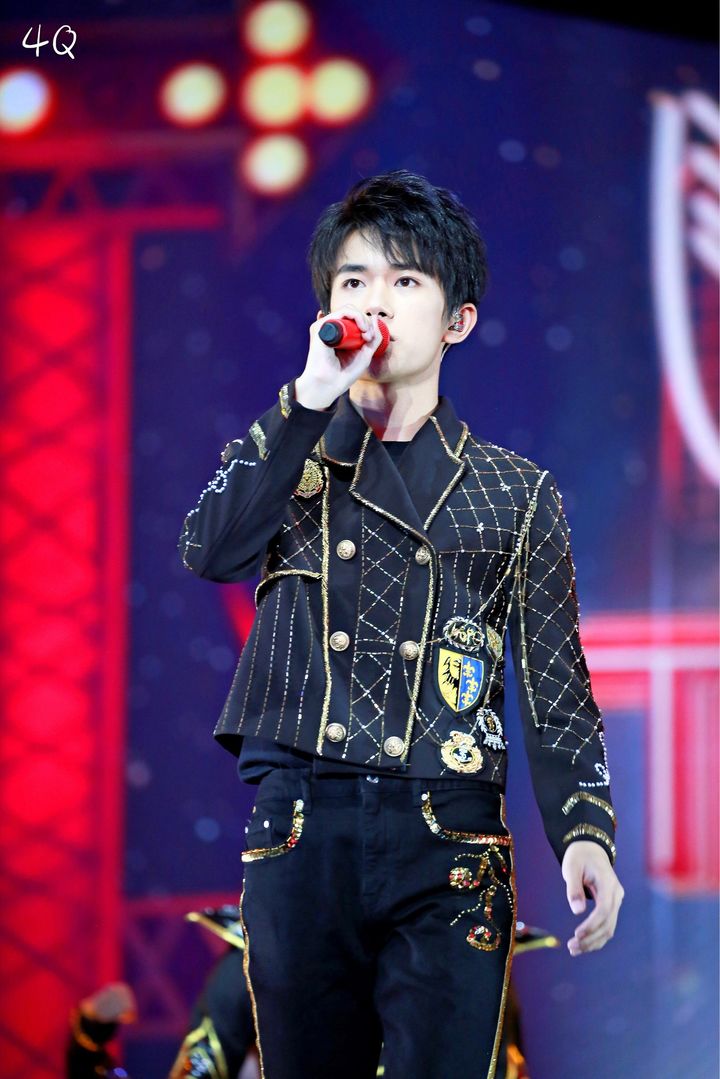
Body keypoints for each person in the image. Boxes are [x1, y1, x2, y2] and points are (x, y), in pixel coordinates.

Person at [178, 169, 624, 1079]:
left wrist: (585, 831)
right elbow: (207, 548)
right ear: (327, 310)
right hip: (303, 825)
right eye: (355, 280)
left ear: (457, 320)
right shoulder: (289, 454)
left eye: (405, 280)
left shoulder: (515, 493)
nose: (375, 301)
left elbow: (557, 689)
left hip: (448, 838)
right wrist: (307, 401)